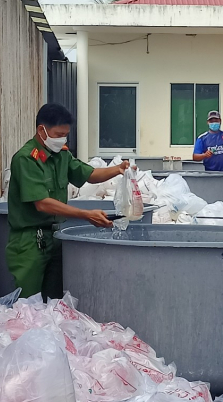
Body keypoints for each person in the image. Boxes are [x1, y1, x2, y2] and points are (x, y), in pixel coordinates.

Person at [7, 103, 130, 300]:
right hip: (29, 242)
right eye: (58, 134)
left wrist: (118, 169)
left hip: (56, 238)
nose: (62, 139)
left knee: (56, 303)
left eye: (65, 135)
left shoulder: (61, 154)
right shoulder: (26, 159)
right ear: (42, 130)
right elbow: (42, 203)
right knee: (29, 305)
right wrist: (85, 215)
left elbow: (89, 175)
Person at [193, 110, 223, 201]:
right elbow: (195, 157)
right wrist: (204, 155)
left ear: (220, 121)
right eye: (211, 121)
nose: (214, 123)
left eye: (216, 121)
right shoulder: (202, 138)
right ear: (208, 122)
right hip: (211, 176)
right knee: (213, 201)